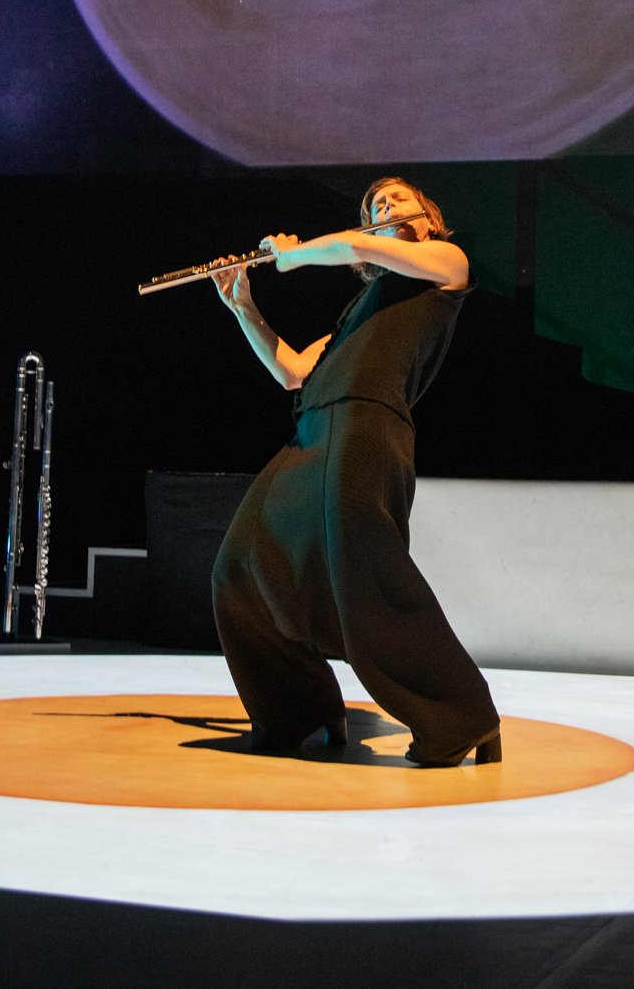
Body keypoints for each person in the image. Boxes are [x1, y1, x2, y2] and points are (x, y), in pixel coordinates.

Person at [206, 176, 502, 766]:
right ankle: (301, 712)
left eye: (397, 199)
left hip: (366, 428)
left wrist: (293, 255)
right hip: (312, 432)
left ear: (428, 215)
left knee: (368, 582)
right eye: (376, 206)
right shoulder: (360, 310)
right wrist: (244, 307)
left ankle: (463, 716)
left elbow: (356, 245)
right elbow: (293, 372)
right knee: (242, 569)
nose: (386, 207)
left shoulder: (447, 263)